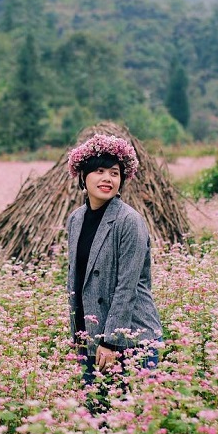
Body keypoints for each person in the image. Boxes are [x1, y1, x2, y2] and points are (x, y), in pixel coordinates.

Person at [65, 132, 163, 401]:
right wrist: (78, 336)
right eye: (98, 171)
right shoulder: (76, 219)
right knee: (97, 417)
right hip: (91, 337)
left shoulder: (129, 221)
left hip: (130, 338)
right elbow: (75, 280)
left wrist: (111, 341)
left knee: (132, 422)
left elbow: (127, 287)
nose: (107, 179)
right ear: (83, 176)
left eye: (114, 173)